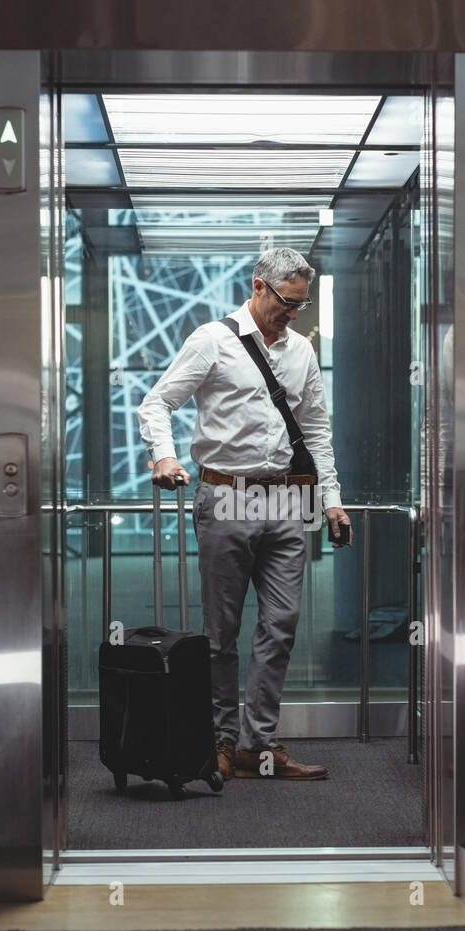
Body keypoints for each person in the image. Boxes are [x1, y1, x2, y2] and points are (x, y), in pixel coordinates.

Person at [137, 246, 351, 783]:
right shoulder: (213, 340)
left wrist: (331, 501)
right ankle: (221, 741)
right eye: (286, 301)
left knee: (280, 627)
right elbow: (156, 403)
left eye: (301, 304)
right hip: (225, 495)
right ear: (258, 287)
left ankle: (260, 743)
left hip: (285, 500)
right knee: (220, 633)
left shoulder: (302, 350)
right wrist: (163, 454)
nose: (293, 313)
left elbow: (317, 434)